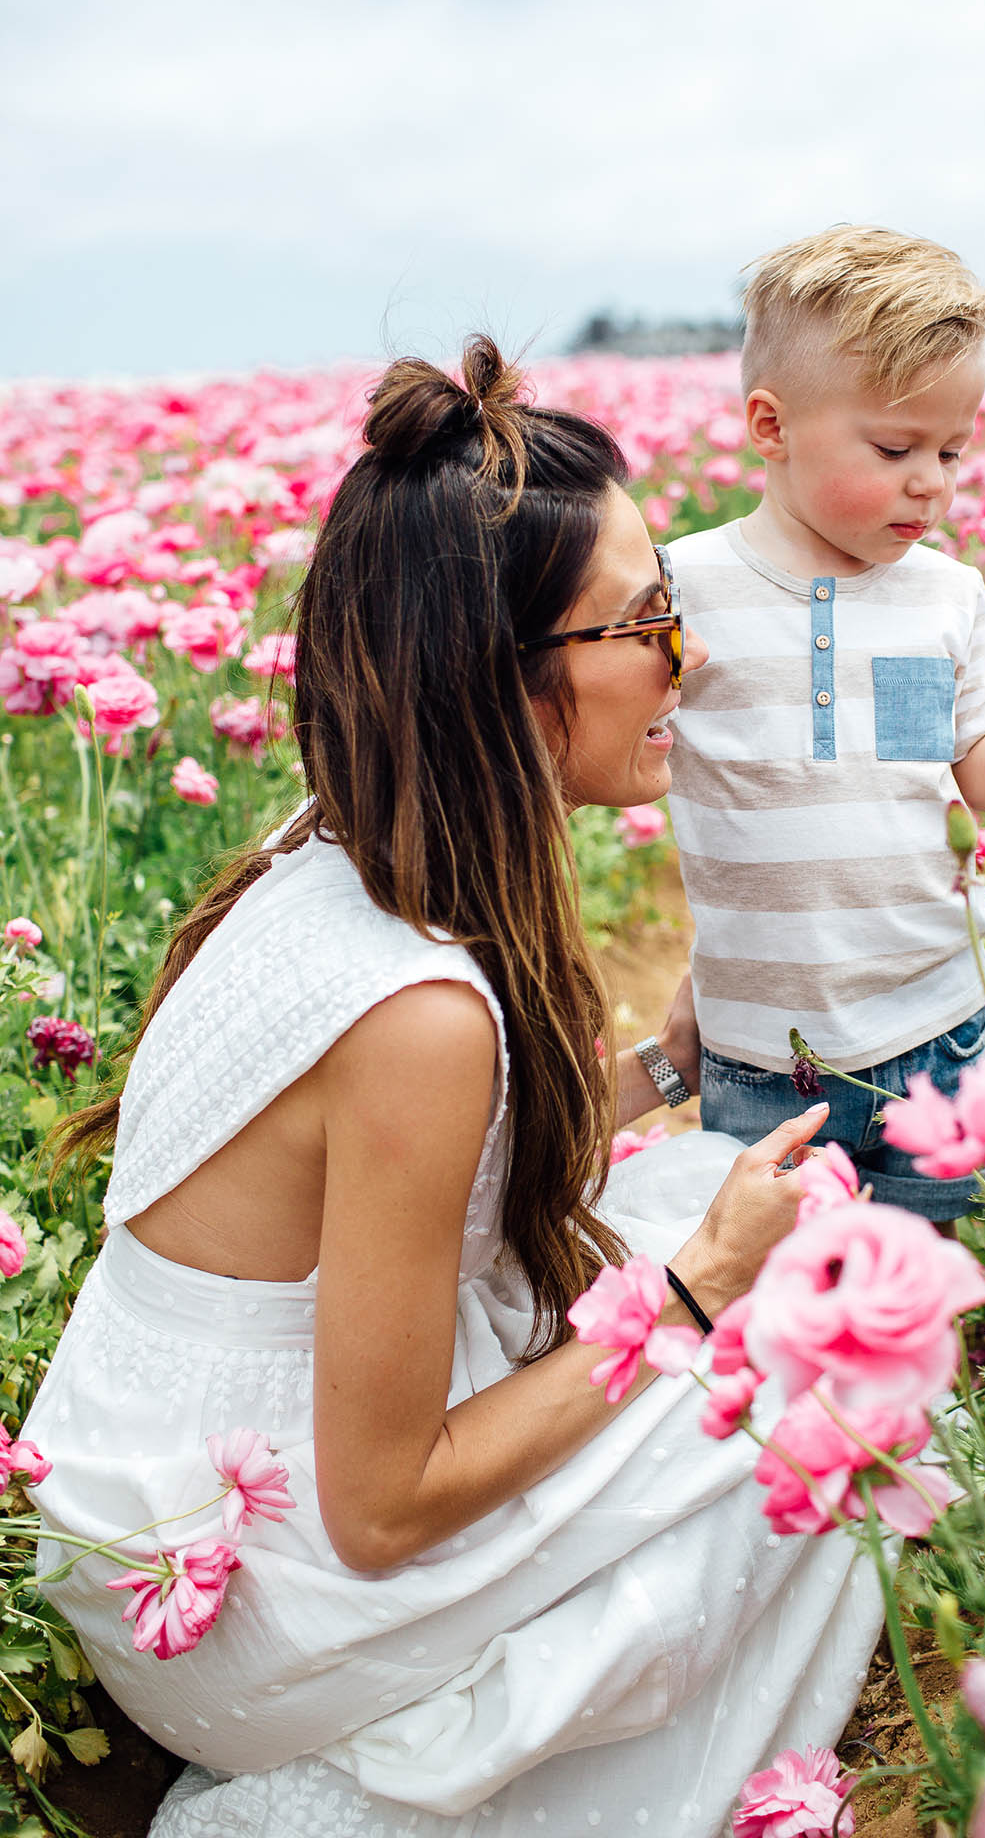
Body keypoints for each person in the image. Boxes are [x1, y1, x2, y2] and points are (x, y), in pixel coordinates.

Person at [21, 341, 887, 1838]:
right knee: (846, 1357)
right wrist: (695, 1290)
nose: (691, 659)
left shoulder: (333, 846)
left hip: (166, 1495)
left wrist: (670, 1068)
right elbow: (386, 1505)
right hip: (257, 1599)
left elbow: (434, 1186)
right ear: (510, 677)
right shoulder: (420, 1015)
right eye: (650, 622)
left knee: (719, 1205)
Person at [665, 226, 985, 1221]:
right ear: (770, 428)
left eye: (952, 451)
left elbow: (971, 772)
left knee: (933, 1254)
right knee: (771, 1283)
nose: (932, 482)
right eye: (896, 448)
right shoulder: (683, 586)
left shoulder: (944, 596)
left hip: (936, 1019)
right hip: (763, 1047)